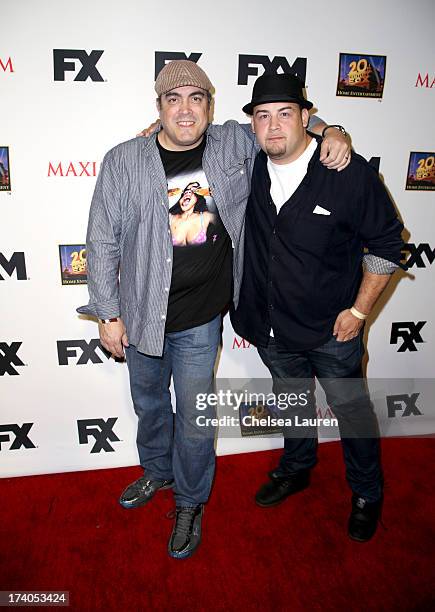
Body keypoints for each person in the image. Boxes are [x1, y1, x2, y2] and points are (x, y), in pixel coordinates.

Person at [77, 60, 350, 559]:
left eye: (196, 99)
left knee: (196, 419)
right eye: (173, 99)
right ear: (157, 107)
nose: (185, 109)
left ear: (211, 106)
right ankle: (158, 472)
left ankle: (189, 501)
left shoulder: (232, 143)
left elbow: (284, 121)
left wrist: (331, 129)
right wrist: (107, 313)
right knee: (151, 407)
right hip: (139, 316)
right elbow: (101, 240)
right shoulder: (123, 160)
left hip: (201, 320)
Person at [231, 73, 405, 542]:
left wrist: (361, 313)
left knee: (351, 412)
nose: (273, 127)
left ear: (307, 117)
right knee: (291, 404)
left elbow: (387, 245)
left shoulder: (349, 172)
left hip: (334, 331)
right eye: (262, 117)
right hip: (271, 326)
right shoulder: (247, 162)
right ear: (252, 126)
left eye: (285, 114)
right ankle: (297, 467)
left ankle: (367, 492)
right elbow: (188, 128)